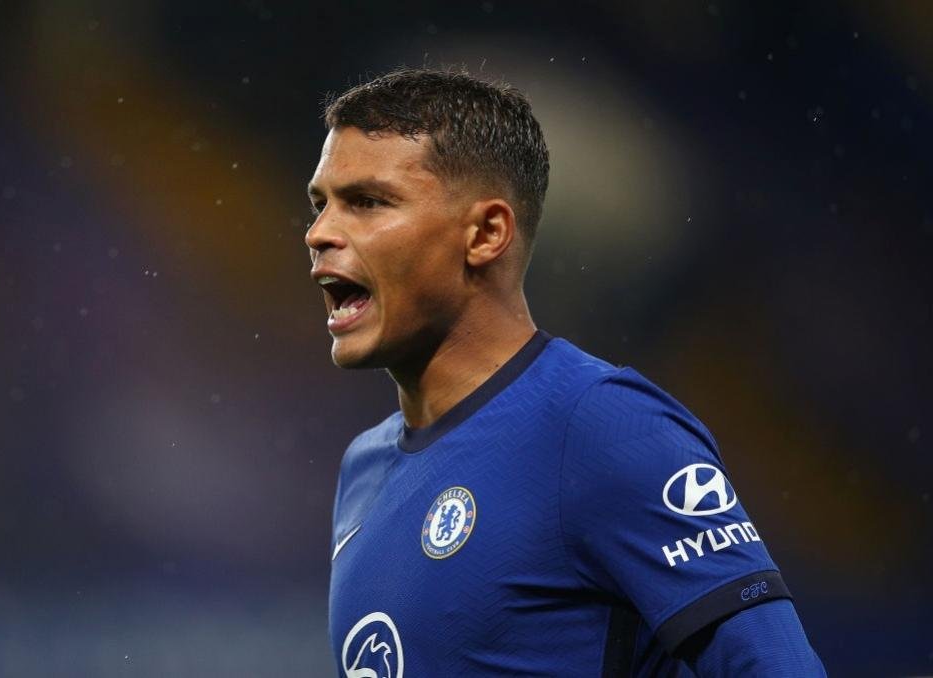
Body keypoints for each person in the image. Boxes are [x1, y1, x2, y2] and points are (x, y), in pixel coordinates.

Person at [305, 68, 825, 677]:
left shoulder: (604, 427)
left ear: (486, 234)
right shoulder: (363, 469)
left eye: (367, 203)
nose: (319, 233)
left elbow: (775, 666)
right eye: (320, 205)